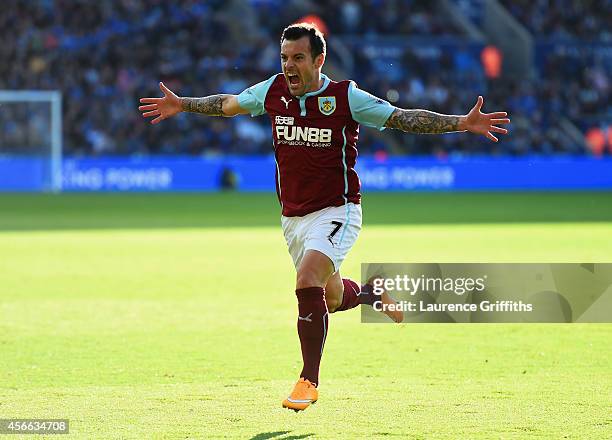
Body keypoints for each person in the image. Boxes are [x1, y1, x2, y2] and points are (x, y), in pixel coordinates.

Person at [138, 23, 510, 412]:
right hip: (293, 218)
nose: (289, 66)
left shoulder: (345, 97)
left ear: (319, 60)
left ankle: (308, 381)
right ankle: (371, 292)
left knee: (306, 280)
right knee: (329, 298)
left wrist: (460, 123)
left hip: (338, 209)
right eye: (284, 58)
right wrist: (183, 103)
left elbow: (401, 117)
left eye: (298, 58)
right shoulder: (272, 91)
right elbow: (228, 104)